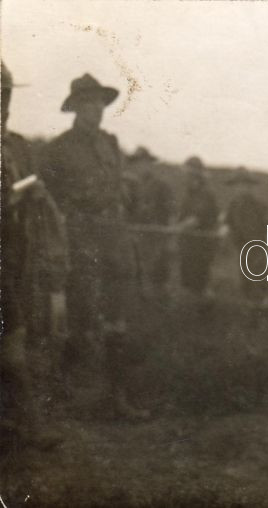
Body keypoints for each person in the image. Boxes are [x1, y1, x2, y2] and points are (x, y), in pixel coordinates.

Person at [42, 73, 149, 420]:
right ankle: (74, 396)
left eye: (101, 103)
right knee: (82, 315)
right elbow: (48, 201)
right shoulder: (58, 149)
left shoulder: (110, 143)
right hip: (80, 240)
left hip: (114, 239)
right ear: (76, 107)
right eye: (89, 103)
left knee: (119, 317)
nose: (97, 109)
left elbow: (118, 188)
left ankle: (116, 397)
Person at [0, 63, 66, 451]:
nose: (3, 103)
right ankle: (30, 426)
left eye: (6, 94)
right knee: (12, 343)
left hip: (15, 256)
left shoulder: (18, 146)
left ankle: (19, 421)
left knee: (18, 336)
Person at [127, 147, 175, 293]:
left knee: (158, 273)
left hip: (157, 235)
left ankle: (160, 297)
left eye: (144, 162)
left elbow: (171, 210)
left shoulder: (161, 185)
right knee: (138, 270)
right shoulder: (132, 185)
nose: (140, 166)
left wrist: (169, 236)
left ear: (150, 164)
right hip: (138, 235)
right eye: (137, 162)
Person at [224, 167, 268, 304]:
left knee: (258, 277)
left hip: (257, 248)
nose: (239, 188)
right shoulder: (234, 204)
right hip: (241, 247)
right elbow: (228, 222)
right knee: (245, 278)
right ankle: (251, 305)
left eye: (244, 184)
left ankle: (262, 305)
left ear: (250, 186)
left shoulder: (259, 205)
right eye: (237, 185)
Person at [177, 156, 220, 297]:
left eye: (189, 175)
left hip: (202, 245)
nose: (186, 178)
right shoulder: (188, 194)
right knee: (188, 281)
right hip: (188, 244)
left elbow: (197, 218)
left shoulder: (206, 194)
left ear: (196, 176)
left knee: (201, 280)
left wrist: (178, 228)